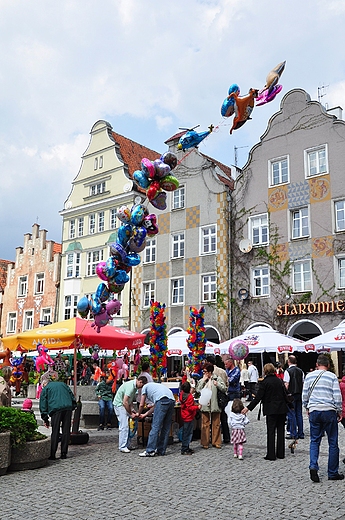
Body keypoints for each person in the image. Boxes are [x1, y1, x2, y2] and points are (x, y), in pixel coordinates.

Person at [302, 354, 343, 482]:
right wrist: (339, 411)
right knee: (332, 442)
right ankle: (332, 472)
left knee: (315, 440)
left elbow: (304, 395)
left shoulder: (309, 376)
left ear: (316, 364)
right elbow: (337, 395)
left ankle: (313, 465)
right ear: (328, 365)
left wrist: (307, 407)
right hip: (329, 410)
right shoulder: (332, 377)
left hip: (314, 410)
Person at [242, 363, 288, 461]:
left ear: (265, 371)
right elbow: (285, 394)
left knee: (271, 432)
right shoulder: (279, 381)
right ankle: (281, 453)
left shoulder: (265, 382)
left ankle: (271, 454)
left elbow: (258, 398)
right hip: (281, 409)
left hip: (271, 409)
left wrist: (248, 408)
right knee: (280, 431)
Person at [39, 379, 77, 460]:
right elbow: (71, 395)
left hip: (56, 409)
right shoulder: (63, 384)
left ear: (44, 384)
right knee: (66, 431)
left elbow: (43, 403)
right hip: (67, 407)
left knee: (55, 431)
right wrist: (73, 406)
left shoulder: (46, 388)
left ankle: (52, 454)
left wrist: (45, 419)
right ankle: (64, 453)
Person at [137, 382, 175, 457]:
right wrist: (145, 415)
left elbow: (141, 404)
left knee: (155, 427)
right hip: (171, 400)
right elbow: (156, 406)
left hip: (162, 400)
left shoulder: (145, 387)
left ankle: (150, 450)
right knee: (166, 427)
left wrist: (138, 413)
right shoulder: (156, 387)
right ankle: (161, 450)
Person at [113, 375, 148, 453]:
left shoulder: (134, 387)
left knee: (127, 426)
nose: (141, 388)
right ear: (140, 382)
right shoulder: (131, 387)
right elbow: (125, 402)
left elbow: (130, 400)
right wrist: (130, 413)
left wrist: (132, 410)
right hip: (119, 405)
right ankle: (122, 446)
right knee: (124, 426)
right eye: (142, 385)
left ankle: (127, 444)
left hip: (123, 404)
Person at [196, 362, 226, 449]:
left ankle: (216, 442)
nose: (204, 373)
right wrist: (203, 381)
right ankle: (205, 442)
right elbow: (198, 390)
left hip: (215, 403)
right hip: (205, 404)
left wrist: (217, 384)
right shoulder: (202, 379)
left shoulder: (217, 378)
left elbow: (224, 389)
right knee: (205, 424)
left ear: (210, 372)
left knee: (216, 424)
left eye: (205, 371)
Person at [206, 355, 230, 444]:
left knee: (214, 418)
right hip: (222, 397)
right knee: (223, 418)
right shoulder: (223, 371)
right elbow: (227, 384)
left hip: (214, 397)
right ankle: (226, 437)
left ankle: (214, 438)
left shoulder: (210, 372)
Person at [284, 355, 304, 440]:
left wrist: (285, 394)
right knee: (299, 414)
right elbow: (303, 383)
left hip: (291, 395)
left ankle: (293, 433)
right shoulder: (301, 371)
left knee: (292, 414)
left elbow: (286, 384)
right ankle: (301, 433)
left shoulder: (287, 371)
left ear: (289, 361)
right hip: (299, 394)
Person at [179, 381, 200, 455]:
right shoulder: (190, 397)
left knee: (185, 432)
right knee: (188, 433)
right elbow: (190, 408)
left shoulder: (181, 394)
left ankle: (185, 447)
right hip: (189, 416)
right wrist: (197, 407)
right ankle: (185, 448)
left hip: (184, 415)